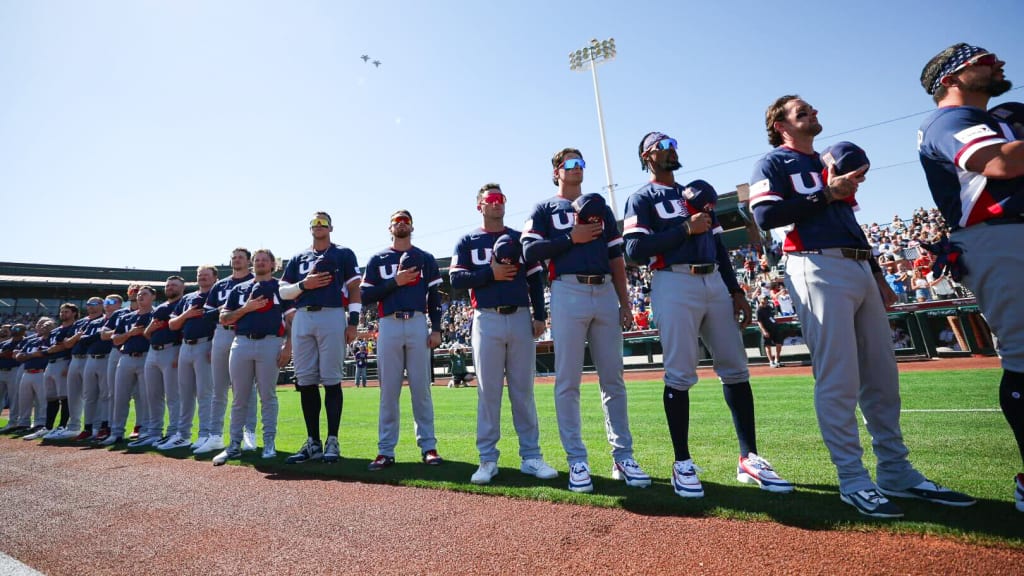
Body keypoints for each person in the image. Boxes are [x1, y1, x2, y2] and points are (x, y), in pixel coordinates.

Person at [750, 95, 974, 517]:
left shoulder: (826, 160)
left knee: (882, 376)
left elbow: (848, 220)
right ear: (781, 125)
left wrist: (874, 271)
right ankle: (852, 477)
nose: (813, 113)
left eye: (813, 108)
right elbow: (765, 217)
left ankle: (896, 470)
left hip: (855, 265)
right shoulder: (773, 163)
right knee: (838, 378)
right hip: (814, 265)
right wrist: (825, 194)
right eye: (802, 112)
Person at [624, 132, 791, 498]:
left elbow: (716, 243)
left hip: (713, 281)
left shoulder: (695, 193)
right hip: (673, 281)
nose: (671, 150)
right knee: (680, 373)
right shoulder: (641, 197)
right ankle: (682, 462)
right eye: (662, 146)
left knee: (736, 368)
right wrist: (685, 228)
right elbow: (634, 249)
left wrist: (735, 290)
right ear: (647, 156)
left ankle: (749, 457)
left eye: (673, 144)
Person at [918, 43, 1024, 512]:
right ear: (950, 79)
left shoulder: (1001, 114)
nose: (997, 62)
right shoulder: (947, 121)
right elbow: (1001, 163)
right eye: (982, 60)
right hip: (999, 234)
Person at [521, 148, 651, 494]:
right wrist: (569, 239)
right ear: (556, 172)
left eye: (581, 163)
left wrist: (625, 303)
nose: (578, 168)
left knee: (614, 380)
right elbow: (528, 252)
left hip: (605, 291)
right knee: (568, 381)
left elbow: (616, 257)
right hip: (567, 290)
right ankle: (577, 459)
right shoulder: (545, 208)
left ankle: (623, 456)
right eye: (570, 164)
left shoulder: (600, 206)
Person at [449, 183, 557, 485]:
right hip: (487, 319)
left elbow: (535, 279)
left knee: (523, 391)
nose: (497, 204)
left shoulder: (518, 239)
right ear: (479, 206)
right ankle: (487, 460)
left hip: (520, 316)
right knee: (488, 393)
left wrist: (539, 315)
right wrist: (490, 274)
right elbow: (456, 277)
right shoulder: (468, 241)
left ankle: (531, 456)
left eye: (501, 199)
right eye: (490, 200)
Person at [361, 210, 444, 470]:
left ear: (412, 226)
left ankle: (428, 447)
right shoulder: (379, 258)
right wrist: (395, 282)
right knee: (389, 391)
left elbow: (435, 297)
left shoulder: (425, 258)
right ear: (390, 227)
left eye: (405, 221)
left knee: (421, 389)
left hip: (418, 321)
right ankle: (386, 450)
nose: (401, 224)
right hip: (389, 323)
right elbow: (365, 295)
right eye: (397, 221)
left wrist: (437, 328)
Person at [279, 212, 362, 464]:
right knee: (305, 380)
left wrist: (354, 322)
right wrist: (305, 285)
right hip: (304, 315)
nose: (319, 226)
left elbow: (355, 288)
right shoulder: (298, 257)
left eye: (323, 222)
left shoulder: (343, 253)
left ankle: (332, 439)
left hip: (332, 315)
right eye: (315, 223)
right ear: (309, 228)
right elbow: (283, 292)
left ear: (331, 227)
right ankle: (313, 440)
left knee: (331, 378)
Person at [213, 249, 294, 464]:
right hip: (241, 342)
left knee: (268, 396)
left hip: (270, 342)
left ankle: (269, 443)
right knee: (239, 398)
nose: (260, 263)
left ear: (272, 264)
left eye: (264, 260)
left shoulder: (281, 288)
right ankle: (234, 445)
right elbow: (224, 318)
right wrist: (246, 308)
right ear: (252, 263)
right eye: (257, 260)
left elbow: (292, 320)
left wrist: (288, 347)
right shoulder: (239, 289)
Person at [196, 249, 258, 455]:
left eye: (241, 256)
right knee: (218, 388)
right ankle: (215, 436)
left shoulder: (255, 281)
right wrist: (226, 309)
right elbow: (207, 314)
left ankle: (249, 433)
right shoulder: (220, 285)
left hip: (245, 333)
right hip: (222, 333)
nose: (236, 259)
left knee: (247, 388)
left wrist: (233, 312)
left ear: (248, 261)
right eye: (234, 256)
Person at [166, 266, 219, 451]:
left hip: (206, 345)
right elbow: (172, 324)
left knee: (205, 394)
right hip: (185, 347)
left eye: (206, 275)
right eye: (199, 275)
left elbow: (221, 323)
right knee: (185, 394)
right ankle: (183, 435)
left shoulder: (218, 294)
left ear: (215, 278)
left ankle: (205, 434)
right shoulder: (188, 298)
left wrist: (214, 346)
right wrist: (187, 314)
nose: (202, 278)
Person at [103, 286, 157, 446]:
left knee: (146, 397)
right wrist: (130, 334)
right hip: (125, 357)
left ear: (153, 297)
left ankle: (145, 431)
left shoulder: (156, 314)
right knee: (120, 397)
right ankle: (116, 432)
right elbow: (115, 340)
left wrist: (145, 332)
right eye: (139, 295)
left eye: (144, 294)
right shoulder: (127, 317)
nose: (140, 297)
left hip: (146, 356)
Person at [145, 276, 185, 449]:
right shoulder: (160, 307)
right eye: (168, 285)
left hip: (173, 349)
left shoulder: (183, 303)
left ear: (182, 288)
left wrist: (179, 355)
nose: (170, 287)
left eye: (174, 285)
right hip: (153, 351)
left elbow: (185, 331)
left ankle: (173, 432)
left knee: (173, 396)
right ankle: (154, 432)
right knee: (153, 396)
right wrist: (150, 329)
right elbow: (147, 333)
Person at [41, 304, 78, 440]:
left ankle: (62, 426)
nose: (63, 314)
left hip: (64, 361)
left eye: (66, 312)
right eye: (62, 311)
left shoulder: (73, 327)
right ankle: (48, 427)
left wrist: (69, 365)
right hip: (51, 364)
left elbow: (67, 346)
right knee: (51, 397)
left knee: (64, 397)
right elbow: (48, 347)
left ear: (74, 313)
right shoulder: (56, 330)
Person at [0, 324, 27, 433]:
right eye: (14, 329)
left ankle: (13, 422)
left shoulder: (25, 341)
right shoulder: (5, 343)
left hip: (14, 370)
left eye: (18, 329)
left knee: (14, 398)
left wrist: (6, 354)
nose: (15, 331)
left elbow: (14, 355)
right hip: (1, 370)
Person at [756, 297, 783, 369]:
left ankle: (777, 360)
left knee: (779, 344)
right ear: (760, 300)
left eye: (766, 299)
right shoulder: (759, 310)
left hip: (774, 328)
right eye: (763, 299)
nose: (765, 300)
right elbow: (759, 322)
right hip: (766, 329)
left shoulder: (769, 307)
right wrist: (764, 331)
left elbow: (772, 317)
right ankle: (771, 362)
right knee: (768, 345)